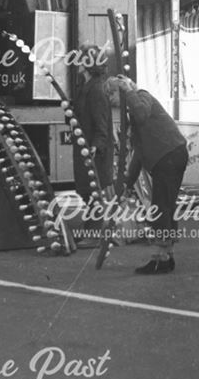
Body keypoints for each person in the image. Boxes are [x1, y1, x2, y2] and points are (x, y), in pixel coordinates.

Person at [106, 75, 189, 275]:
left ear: (123, 89)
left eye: (111, 93)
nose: (109, 99)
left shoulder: (141, 97)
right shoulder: (133, 111)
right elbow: (140, 152)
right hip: (171, 154)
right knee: (165, 206)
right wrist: (128, 182)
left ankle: (161, 257)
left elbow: (142, 114)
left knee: (161, 207)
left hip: (168, 156)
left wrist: (130, 92)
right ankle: (166, 255)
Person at [72, 43, 114, 205]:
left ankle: (96, 230)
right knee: (91, 201)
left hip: (93, 156)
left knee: (94, 203)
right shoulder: (86, 86)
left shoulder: (96, 90)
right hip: (86, 152)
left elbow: (101, 125)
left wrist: (96, 146)